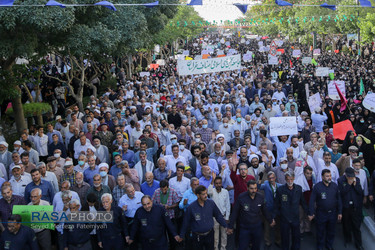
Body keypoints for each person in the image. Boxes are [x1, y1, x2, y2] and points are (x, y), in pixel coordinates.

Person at [228, 180, 275, 250]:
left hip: (257, 228)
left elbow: (265, 210)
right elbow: (235, 212)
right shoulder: (241, 197)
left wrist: (270, 220)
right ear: (247, 188)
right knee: (242, 247)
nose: (254, 190)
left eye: (255, 188)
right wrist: (230, 226)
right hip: (244, 228)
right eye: (251, 188)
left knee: (256, 247)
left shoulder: (261, 197)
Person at [180, 185, 228, 250]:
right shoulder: (191, 207)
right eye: (203, 194)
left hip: (210, 235)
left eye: (206, 193)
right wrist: (181, 235)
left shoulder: (211, 203)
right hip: (197, 237)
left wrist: (225, 226)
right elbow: (185, 222)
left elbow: (218, 215)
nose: (206, 195)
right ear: (198, 195)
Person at [308, 169, 342, 250]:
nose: (329, 177)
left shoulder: (335, 186)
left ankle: (329, 245)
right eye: (327, 176)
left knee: (331, 231)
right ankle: (320, 246)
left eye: (330, 176)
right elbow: (312, 200)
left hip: (333, 213)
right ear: (322, 177)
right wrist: (311, 213)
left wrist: (340, 212)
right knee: (320, 231)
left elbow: (339, 200)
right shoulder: (317, 187)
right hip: (321, 213)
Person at [274, 171, 308, 250]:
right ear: (285, 179)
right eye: (288, 179)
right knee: (285, 238)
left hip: (295, 218)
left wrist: (308, 213)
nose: (290, 181)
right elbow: (276, 204)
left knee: (296, 237)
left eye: (291, 179)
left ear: (294, 179)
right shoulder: (280, 190)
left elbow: (303, 202)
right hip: (284, 218)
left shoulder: (299, 189)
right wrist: (276, 215)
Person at [338, 167, 364, 250]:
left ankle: (359, 244)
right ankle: (347, 239)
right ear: (345, 174)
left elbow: (360, 192)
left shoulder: (357, 180)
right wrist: (349, 184)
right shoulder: (340, 180)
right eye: (349, 176)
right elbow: (341, 193)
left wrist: (355, 185)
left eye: (351, 176)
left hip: (354, 207)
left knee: (356, 226)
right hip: (346, 207)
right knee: (346, 224)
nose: (350, 178)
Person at [259, 171, 282, 248]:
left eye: (272, 177)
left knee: (278, 226)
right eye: (269, 178)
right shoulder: (266, 184)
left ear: (275, 178)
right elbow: (258, 187)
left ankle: (278, 240)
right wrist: (259, 179)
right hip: (268, 208)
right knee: (267, 226)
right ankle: (267, 241)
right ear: (268, 179)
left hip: (277, 209)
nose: (271, 179)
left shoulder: (279, 186)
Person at [207, 176, 231, 250]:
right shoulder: (212, 192)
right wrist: (212, 180)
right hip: (214, 218)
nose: (218, 185)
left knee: (224, 235)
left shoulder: (225, 192)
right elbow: (208, 192)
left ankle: (223, 248)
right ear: (214, 184)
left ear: (221, 183)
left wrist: (227, 217)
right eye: (216, 183)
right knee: (215, 236)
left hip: (223, 217)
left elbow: (228, 205)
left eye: (219, 183)